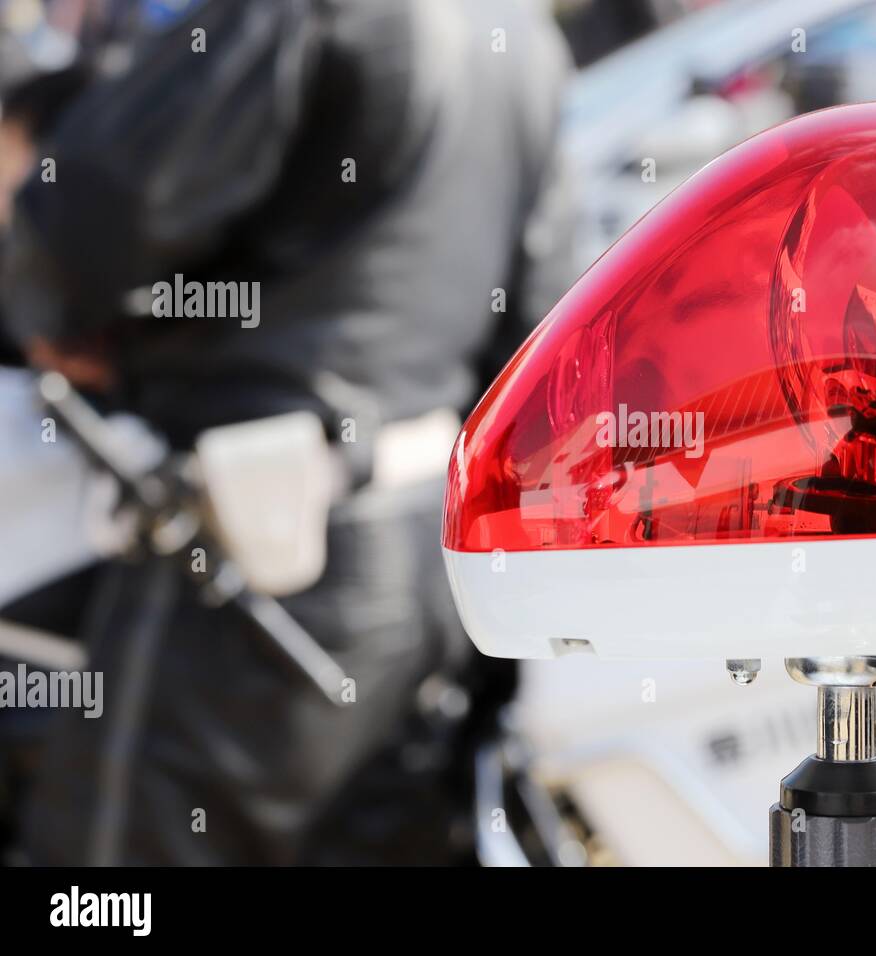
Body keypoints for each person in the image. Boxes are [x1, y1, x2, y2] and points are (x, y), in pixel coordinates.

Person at [0, 0, 571, 864]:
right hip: (426, 563)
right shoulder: (521, 33)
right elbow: (540, 338)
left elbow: (90, 212)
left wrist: (57, 317)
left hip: (252, 565)